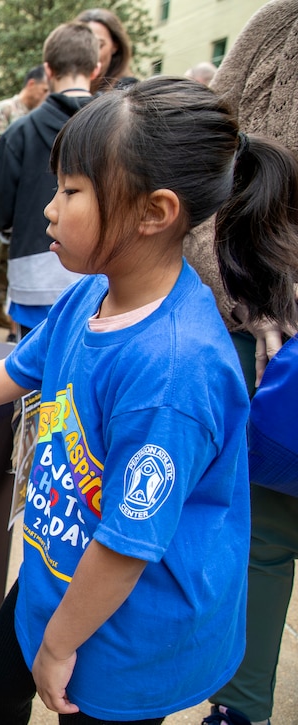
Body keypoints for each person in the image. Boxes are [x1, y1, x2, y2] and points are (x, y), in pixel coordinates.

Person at [0, 74, 298, 722]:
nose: (50, 208)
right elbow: (20, 368)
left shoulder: (173, 374)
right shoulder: (92, 292)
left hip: (128, 628)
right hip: (61, 569)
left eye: (73, 190)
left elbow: (127, 545)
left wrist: (58, 644)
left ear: (154, 212)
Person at [186, 3, 298, 724]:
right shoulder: (272, 30)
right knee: (260, 532)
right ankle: (240, 705)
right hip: (262, 336)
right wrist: (250, 297)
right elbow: (203, 177)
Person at [0, 22, 97, 340]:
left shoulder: (18, 131)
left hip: (33, 276)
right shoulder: (117, 131)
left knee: (34, 380)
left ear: (47, 69)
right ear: (96, 67)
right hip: (101, 273)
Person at [0, 65, 49, 339]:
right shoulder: (5, 110)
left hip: (22, 201)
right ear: (31, 84)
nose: (46, 94)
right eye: (44, 89)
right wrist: (16, 150)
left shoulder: (38, 115)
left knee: (6, 261)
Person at [76, 8, 134, 94]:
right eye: (82, 46)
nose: (89, 54)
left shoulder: (128, 91)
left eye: (98, 45)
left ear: (115, 46)